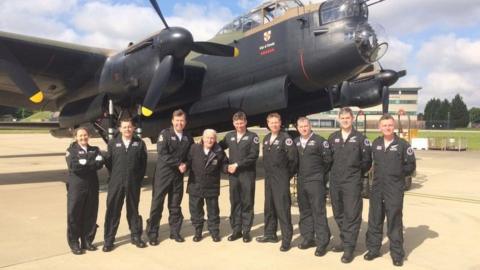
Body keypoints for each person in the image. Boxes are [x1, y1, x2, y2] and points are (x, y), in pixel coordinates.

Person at [364, 114, 416, 267]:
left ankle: (397, 254)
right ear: (380, 127)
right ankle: (373, 249)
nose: (387, 128)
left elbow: (410, 166)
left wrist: (397, 176)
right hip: (377, 188)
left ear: (393, 127)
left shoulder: (403, 145)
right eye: (384, 125)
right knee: (375, 219)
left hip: (394, 188)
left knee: (394, 221)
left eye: (390, 125)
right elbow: (368, 163)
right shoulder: (376, 143)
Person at [328, 107, 372, 263]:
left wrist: (355, 174)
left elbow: (367, 162)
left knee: (352, 214)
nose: (345, 120)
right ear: (339, 119)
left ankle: (349, 248)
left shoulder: (361, 138)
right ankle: (344, 240)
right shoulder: (332, 138)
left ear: (352, 119)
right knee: (338, 212)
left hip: (352, 182)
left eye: (348, 117)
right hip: (335, 181)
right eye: (343, 118)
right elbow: (328, 160)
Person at [146, 109, 193, 245]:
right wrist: (179, 163)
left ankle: (175, 232)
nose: (179, 123)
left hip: (178, 176)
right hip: (163, 175)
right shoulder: (165, 134)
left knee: (175, 205)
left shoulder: (187, 137)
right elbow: (162, 153)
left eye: (182, 121)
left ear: (185, 122)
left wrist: (186, 165)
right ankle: (153, 234)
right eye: (177, 120)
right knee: (157, 204)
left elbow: (190, 156)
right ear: (172, 121)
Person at [103, 118, 148, 252]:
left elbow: (143, 165)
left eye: (129, 127)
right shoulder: (112, 143)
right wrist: (116, 176)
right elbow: (109, 163)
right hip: (116, 182)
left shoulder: (139, 143)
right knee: (113, 211)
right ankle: (109, 240)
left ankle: (136, 236)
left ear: (133, 128)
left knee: (133, 210)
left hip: (133, 182)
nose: (127, 129)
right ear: (120, 129)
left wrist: (136, 179)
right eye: (124, 127)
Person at [256, 113, 298, 252]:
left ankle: (286, 239)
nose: (274, 124)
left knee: (282, 209)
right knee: (269, 207)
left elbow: (293, 160)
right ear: (267, 124)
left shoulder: (286, 139)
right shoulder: (267, 138)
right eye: (271, 122)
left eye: (276, 122)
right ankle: (270, 234)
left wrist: (286, 176)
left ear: (280, 123)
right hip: (269, 178)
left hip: (281, 178)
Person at [219, 111, 260, 243]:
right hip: (233, 176)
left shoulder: (253, 136)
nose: (239, 125)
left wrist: (237, 164)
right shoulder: (229, 136)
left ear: (246, 122)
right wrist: (226, 163)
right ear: (233, 123)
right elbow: (218, 148)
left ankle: (246, 231)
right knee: (235, 202)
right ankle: (236, 230)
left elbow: (253, 156)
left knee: (247, 203)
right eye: (237, 123)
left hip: (247, 175)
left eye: (241, 123)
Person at [294, 117, 332, 257]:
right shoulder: (296, 142)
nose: (304, 128)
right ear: (297, 128)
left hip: (316, 181)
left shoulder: (320, 141)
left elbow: (327, 161)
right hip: (301, 181)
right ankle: (308, 238)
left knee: (318, 211)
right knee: (304, 211)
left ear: (310, 126)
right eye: (301, 126)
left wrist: (319, 175)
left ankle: (322, 242)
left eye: (306, 126)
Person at [65, 127, 104, 255]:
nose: (83, 138)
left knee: (90, 214)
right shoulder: (71, 151)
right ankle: (74, 243)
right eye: (80, 136)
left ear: (89, 136)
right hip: (77, 187)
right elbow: (75, 166)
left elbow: (100, 164)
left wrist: (85, 163)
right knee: (74, 215)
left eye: (85, 135)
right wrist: (91, 162)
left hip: (92, 186)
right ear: (76, 137)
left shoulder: (95, 150)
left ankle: (87, 241)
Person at [187, 129, 228, 242]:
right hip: (195, 185)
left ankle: (214, 231)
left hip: (212, 186)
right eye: (207, 138)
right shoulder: (194, 148)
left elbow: (224, 163)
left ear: (215, 140)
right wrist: (183, 166)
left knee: (213, 211)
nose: (209, 140)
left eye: (212, 138)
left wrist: (227, 168)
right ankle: (198, 231)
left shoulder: (219, 151)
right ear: (202, 138)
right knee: (196, 210)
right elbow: (188, 161)